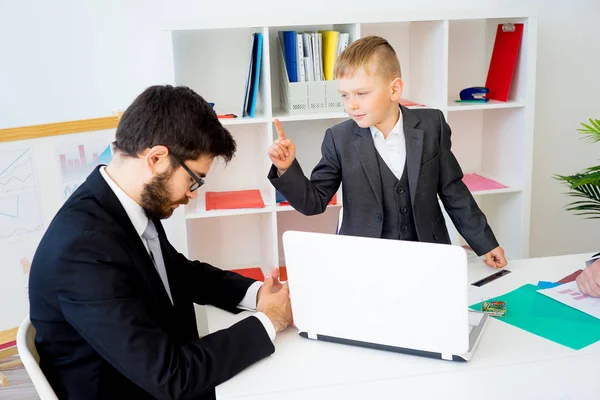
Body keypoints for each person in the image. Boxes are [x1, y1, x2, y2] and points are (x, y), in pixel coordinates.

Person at [28, 85, 293, 399]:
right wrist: (268, 321)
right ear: (156, 158)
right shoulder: (83, 250)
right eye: (193, 179)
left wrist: (257, 293)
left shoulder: (124, 204)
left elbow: (178, 272)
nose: (192, 193)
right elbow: (172, 377)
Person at [268, 35, 507, 268]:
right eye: (344, 95)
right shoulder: (338, 138)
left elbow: (453, 192)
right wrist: (286, 168)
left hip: (427, 255)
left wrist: (485, 243)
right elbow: (314, 202)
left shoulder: (432, 125)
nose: (351, 104)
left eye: (362, 93)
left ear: (395, 90)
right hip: (365, 261)